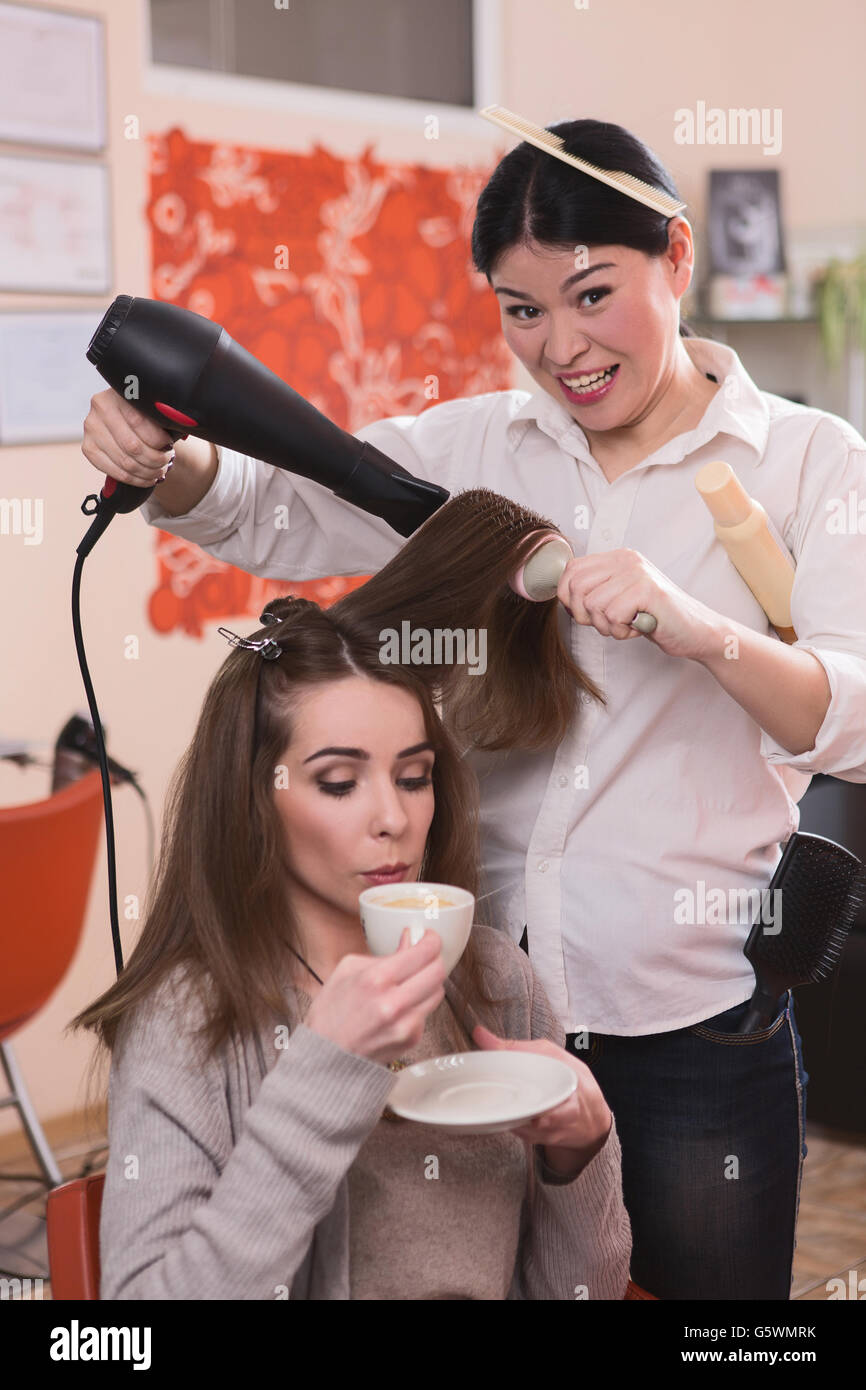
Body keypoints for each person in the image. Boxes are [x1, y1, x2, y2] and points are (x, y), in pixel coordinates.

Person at [81, 117, 866, 1300]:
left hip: (694, 1028)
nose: (560, 346)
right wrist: (168, 465)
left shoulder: (811, 465)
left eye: (592, 294)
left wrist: (692, 626)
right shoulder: (472, 450)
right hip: (481, 1014)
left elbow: (846, 715)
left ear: (676, 259)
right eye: (521, 310)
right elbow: (272, 507)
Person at [71, 517, 633, 1301]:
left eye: (413, 777)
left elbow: (584, 1295)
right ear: (255, 801)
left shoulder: (500, 982)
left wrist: (582, 1154)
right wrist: (323, 1073)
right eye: (338, 782)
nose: (392, 819)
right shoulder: (192, 1019)